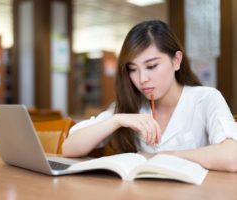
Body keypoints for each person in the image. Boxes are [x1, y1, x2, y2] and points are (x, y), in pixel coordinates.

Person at [63, 20, 237, 172]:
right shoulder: (130, 105)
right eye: (132, 69)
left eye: (152, 66)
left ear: (176, 61)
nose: (142, 79)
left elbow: (232, 157)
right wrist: (115, 120)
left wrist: (160, 156)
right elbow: (69, 148)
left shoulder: (205, 99)